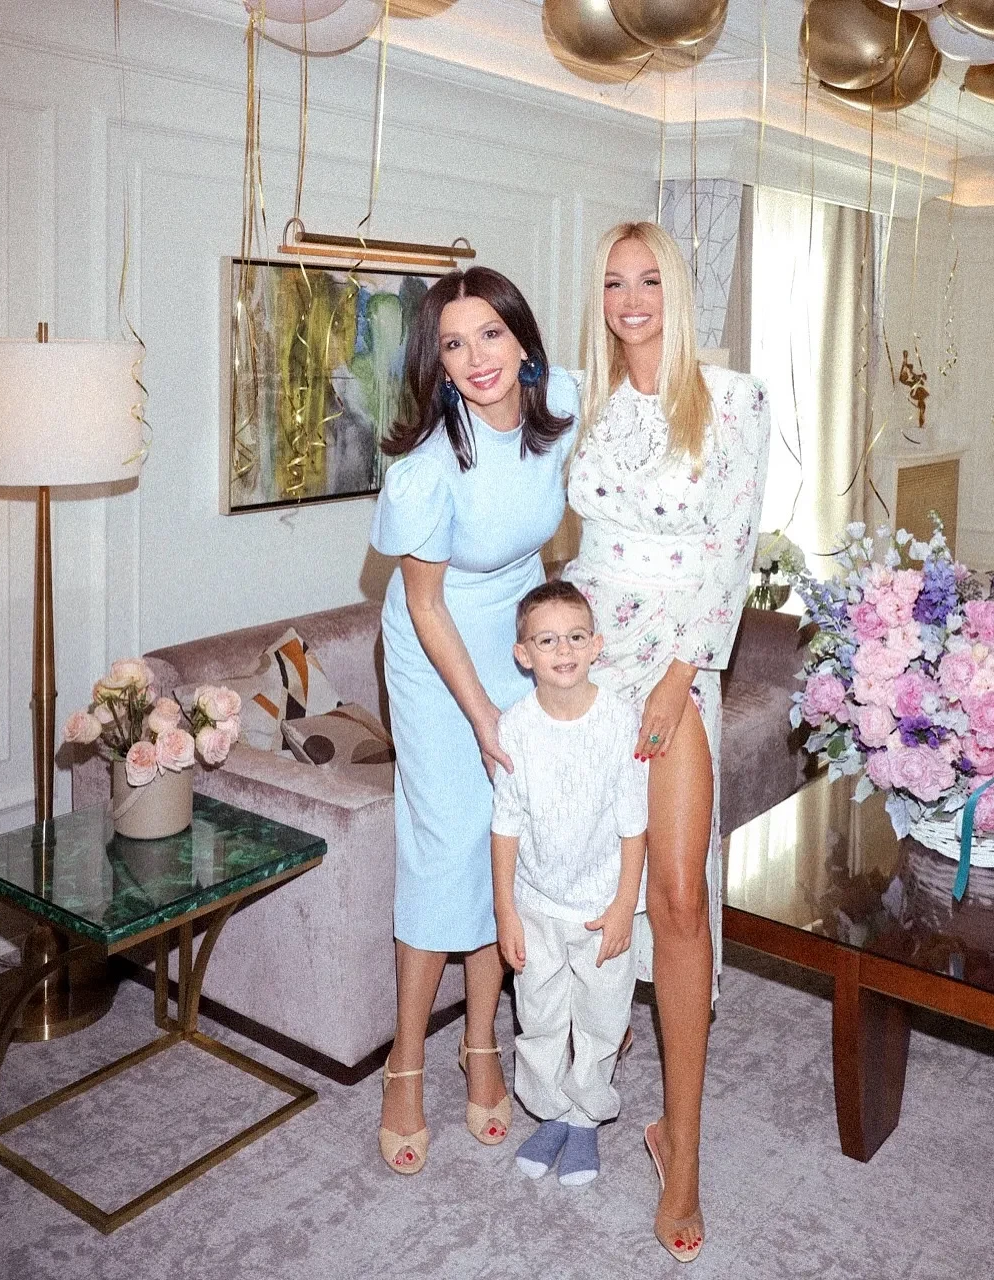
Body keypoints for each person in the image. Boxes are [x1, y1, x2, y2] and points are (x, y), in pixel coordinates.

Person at [564, 221, 770, 1261]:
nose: (631, 298)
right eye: (614, 282)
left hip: (678, 657)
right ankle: (565, 1082)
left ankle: (680, 1147)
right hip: (585, 654)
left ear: (677, 291)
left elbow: (733, 548)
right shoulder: (582, 403)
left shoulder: (730, 398)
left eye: (649, 280)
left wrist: (679, 676)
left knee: (681, 895)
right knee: (581, 881)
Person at [369, 267, 579, 1175]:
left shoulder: (559, 404)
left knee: (509, 840)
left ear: (523, 339)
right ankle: (404, 1062)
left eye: (490, 333)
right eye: (453, 344)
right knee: (446, 842)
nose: (476, 357)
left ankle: (482, 1041)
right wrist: (485, 713)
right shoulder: (425, 471)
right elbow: (424, 607)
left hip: (516, 633)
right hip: (437, 651)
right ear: (437, 362)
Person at [490, 580, 648, 1187]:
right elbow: (505, 827)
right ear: (523, 653)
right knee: (539, 1016)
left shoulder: (618, 720)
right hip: (535, 906)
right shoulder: (515, 728)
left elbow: (634, 824)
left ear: (596, 645)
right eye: (547, 640)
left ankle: (586, 1116)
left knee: (602, 1017)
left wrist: (624, 906)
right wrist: (506, 911)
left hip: (603, 907)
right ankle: (551, 1111)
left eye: (576, 637)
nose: (564, 650)